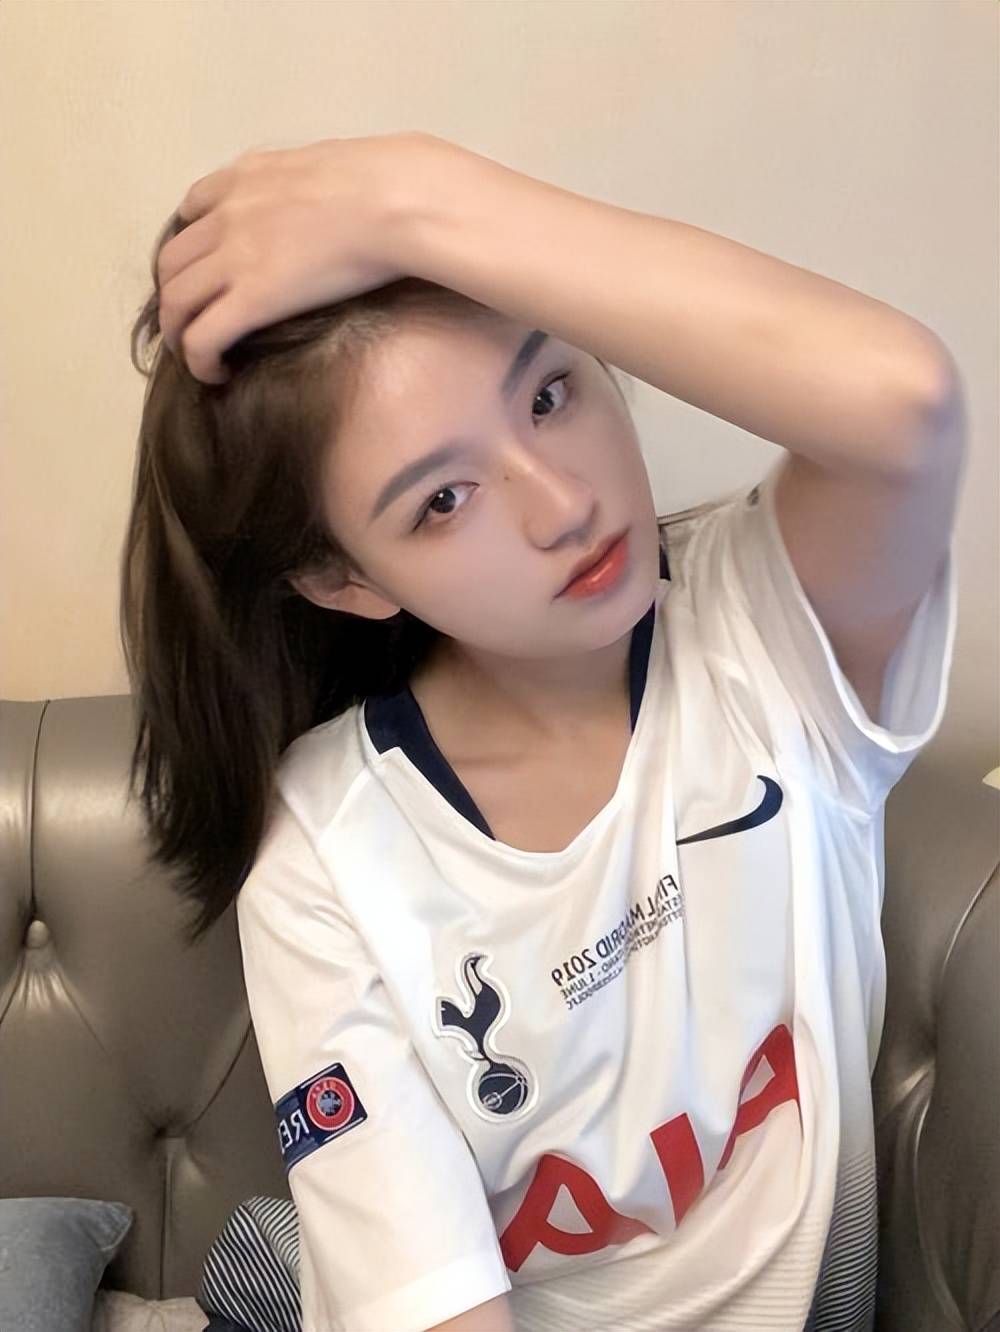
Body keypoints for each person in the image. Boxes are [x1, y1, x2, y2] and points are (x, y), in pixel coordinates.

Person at [122, 133, 962, 1332]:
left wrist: (411, 197)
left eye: (550, 393)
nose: (565, 504)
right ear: (345, 580)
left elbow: (904, 401)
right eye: (443, 499)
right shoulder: (326, 853)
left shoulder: (764, 634)